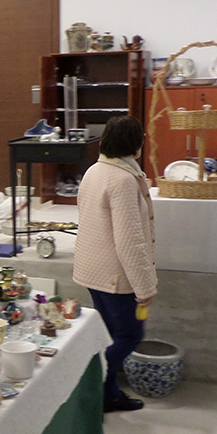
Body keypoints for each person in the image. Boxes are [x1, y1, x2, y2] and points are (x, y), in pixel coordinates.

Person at [73, 115, 156, 413]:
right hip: (115, 275)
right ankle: (89, 385)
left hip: (92, 270)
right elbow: (129, 240)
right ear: (135, 144)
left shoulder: (94, 171)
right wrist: (144, 287)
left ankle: (108, 396)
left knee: (107, 334)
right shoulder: (122, 180)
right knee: (130, 335)